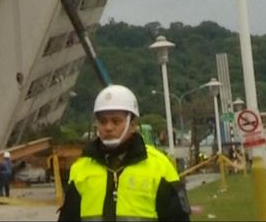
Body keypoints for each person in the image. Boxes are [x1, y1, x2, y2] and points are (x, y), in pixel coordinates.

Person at [58, 84, 190, 221]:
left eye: (116, 121)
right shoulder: (80, 168)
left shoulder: (160, 167)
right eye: (103, 121)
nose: (108, 127)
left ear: (132, 124)